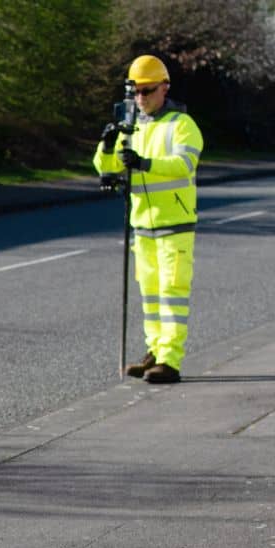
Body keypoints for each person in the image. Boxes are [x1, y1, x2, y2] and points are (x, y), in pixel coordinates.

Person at [93, 55, 204, 384]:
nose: (141, 97)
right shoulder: (133, 126)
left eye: (148, 90)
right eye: (136, 91)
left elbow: (184, 165)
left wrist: (144, 163)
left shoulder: (183, 125)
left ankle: (170, 359)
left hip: (174, 224)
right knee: (151, 294)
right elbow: (107, 168)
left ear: (164, 88)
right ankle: (155, 351)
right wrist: (107, 144)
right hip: (143, 224)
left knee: (172, 292)